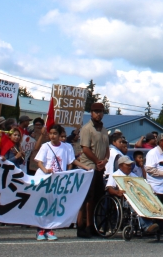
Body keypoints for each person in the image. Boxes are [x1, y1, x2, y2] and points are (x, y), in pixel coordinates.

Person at [105, 156, 163, 235]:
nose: (130, 167)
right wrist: (117, 192)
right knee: (138, 205)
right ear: (120, 166)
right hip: (125, 199)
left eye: (130, 165)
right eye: (127, 165)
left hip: (139, 196)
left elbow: (143, 185)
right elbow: (109, 188)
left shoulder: (134, 175)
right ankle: (147, 226)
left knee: (154, 202)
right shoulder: (115, 175)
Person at [33, 124, 75, 241]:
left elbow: (70, 162)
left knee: (54, 205)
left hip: (58, 180)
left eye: (55, 133)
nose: (52, 136)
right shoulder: (45, 146)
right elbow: (39, 162)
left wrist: (67, 173)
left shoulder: (66, 147)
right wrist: (45, 170)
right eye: (50, 133)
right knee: (43, 204)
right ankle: (40, 229)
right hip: (46, 179)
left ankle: (50, 229)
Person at [75, 102, 109, 239]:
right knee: (87, 199)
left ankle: (94, 226)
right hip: (88, 166)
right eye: (96, 111)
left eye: (100, 111)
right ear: (91, 112)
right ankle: (84, 226)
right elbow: (85, 149)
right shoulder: (86, 128)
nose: (98, 114)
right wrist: (97, 161)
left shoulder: (105, 130)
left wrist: (105, 160)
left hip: (100, 167)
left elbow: (107, 149)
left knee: (97, 197)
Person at [144, 133, 163, 209]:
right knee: (157, 211)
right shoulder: (152, 153)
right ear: (160, 142)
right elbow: (149, 169)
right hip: (156, 189)